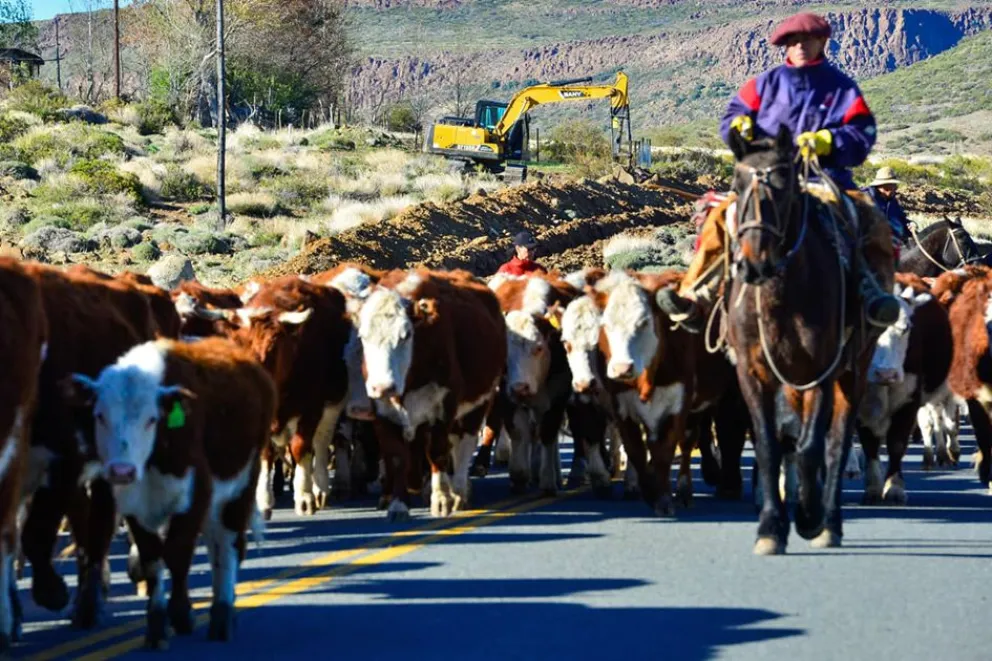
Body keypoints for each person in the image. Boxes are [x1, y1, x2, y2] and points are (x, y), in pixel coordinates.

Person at [655, 11, 901, 331]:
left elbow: (862, 132)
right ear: (784, 46)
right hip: (766, 178)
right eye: (792, 41)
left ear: (822, 42)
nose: (800, 45)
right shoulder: (763, 85)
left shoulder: (841, 89)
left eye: (807, 40)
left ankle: (874, 293)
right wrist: (738, 125)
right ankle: (696, 295)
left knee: (872, 221)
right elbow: (732, 116)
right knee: (720, 218)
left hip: (822, 179)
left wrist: (829, 140)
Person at [864, 166, 913, 245]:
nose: (896, 188)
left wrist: (910, 224)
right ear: (884, 186)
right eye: (893, 185)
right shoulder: (866, 199)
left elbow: (901, 219)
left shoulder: (892, 201)